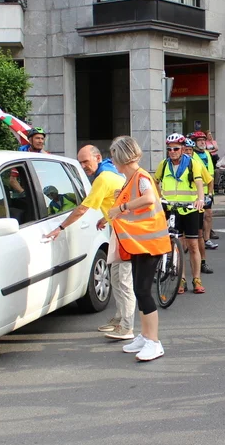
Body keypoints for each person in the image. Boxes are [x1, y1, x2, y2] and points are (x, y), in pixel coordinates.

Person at [44, 145, 135, 341]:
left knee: (124, 281)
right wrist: (106, 219)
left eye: (86, 161)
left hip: (126, 234)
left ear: (98, 158)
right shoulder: (109, 173)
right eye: (81, 162)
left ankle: (127, 327)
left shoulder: (103, 178)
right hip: (120, 231)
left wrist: (60, 228)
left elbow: (82, 209)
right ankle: (120, 320)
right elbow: (115, 201)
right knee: (116, 278)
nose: (83, 166)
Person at [107, 136, 172, 362]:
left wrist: (121, 207)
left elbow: (149, 198)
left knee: (143, 291)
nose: (112, 160)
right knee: (139, 290)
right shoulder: (133, 178)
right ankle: (145, 336)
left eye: (114, 156)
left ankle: (154, 342)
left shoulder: (140, 176)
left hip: (148, 243)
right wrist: (121, 200)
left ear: (121, 157)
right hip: (141, 242)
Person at [155, 133, 208, 294]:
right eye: (169, 149)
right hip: (171, 209)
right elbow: (155, 181)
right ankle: (181, 279)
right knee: (177, 246)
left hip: (190, 208)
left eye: (176, 149)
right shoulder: (164, 164)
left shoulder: (192, 163)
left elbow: (199, 182)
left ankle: (197, 279)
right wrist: (159, 197)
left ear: (183, 149)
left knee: (193, 245)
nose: (172, 152)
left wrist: (200, 199)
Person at [191, 131, 219, 253]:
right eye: (199, 140)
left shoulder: (207, 153)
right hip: (195, 191)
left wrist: (211, 193)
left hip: (208, 189)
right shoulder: (191, 154)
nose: (203, 142)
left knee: (208, 214)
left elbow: (210, 174)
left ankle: (206, 239)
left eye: (203, 140)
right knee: (196, 217)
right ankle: (194, 239)